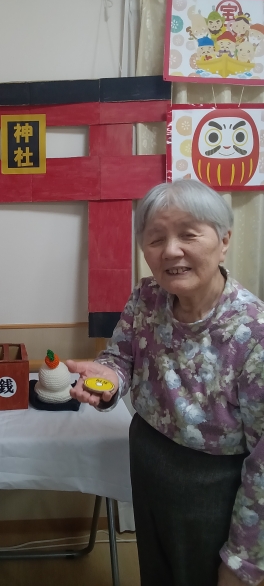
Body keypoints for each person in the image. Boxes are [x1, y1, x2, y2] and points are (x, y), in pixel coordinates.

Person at [69, 180, 264, 586]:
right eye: (156, 238)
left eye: (188, 235)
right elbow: (121, 356)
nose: (171, 250)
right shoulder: (147, 297)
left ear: (224, 241)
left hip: (214, 484)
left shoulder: (254, 332)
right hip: (148, 457)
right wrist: (109, 378)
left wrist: (244, 562)